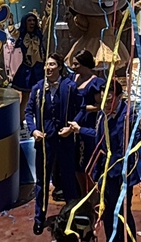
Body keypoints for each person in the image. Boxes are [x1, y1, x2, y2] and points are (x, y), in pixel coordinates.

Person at [69, 83, 141, 241]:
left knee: (123, 211)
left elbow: (137, 141)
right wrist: (80, 129)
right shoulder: (102, 114)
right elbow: (100, 136)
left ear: (119, 97)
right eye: (103, 100)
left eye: (109, 100)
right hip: (105, 173)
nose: (106, 104)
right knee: (107, 211)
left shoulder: (128, 115)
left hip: (122, 174)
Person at [26, 54, 80, 235]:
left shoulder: (70, 87)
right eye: (47, 65)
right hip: (45, 142)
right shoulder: (37, 89)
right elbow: (28, 112)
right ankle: (39, 219)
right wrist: (33, 130)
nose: (48, 68)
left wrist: (71, 128)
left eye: (52, 64)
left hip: (65, 141)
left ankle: (72, 216)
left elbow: (80, 109)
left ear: (59, 67)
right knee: (41, 181)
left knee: (68, 180)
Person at [68, 50, 105, 196]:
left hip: (87, 125)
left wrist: (82, 108)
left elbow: (101, 106)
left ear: (84, 64)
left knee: (87, 164)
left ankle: (93, 196)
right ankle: (82, 194)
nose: (73, 66)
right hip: (72, 124)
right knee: (77, 165)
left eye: (76, 63)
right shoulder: (73, 78)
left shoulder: (96, 83)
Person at [9, 13, 45, 111]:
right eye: (29, 21)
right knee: (25, 97)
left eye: (33, 20)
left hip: (39, 68)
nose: (32, 23)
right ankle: (21, 121)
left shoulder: (39, 34)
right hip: (27, 69)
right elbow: (12, 32)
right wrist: (11, 21)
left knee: (39, 96)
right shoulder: (21, 35)